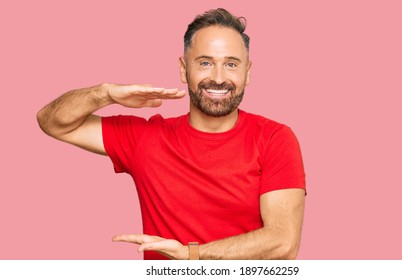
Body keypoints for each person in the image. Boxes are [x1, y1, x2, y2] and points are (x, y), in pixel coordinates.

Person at [36, 8, 306, 260]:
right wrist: (105, 93)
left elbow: (283, 242)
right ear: (182, 69)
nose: (220, 78)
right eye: (205, 63)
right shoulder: (145, 138)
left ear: (247, 73)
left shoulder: (275, 138)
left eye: (232, 64)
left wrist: (192, 255)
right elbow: (53, 122)